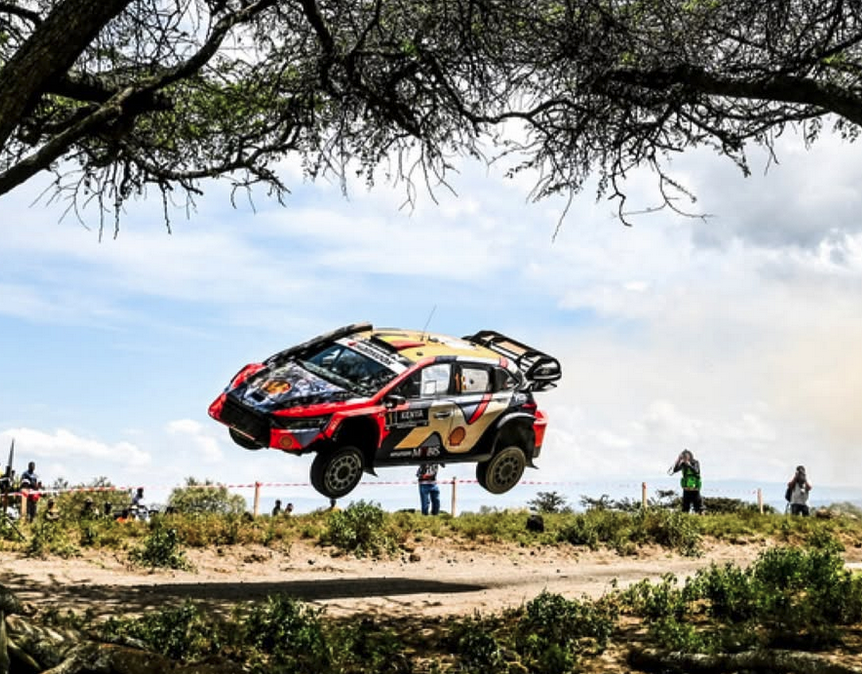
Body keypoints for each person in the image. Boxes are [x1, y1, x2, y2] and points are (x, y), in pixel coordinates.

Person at [670, 449, 703, 514]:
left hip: (695, 489)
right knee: (685, 508)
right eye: (683, 456)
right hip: (686, 489)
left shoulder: (695, 462)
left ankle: (701, 517)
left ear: (690, 456)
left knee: (698, 508)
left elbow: (697, 471)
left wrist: (689, 465)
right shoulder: (683, 464)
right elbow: (675, 470)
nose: (685, 458)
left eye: (686, 456)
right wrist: (678, 460)